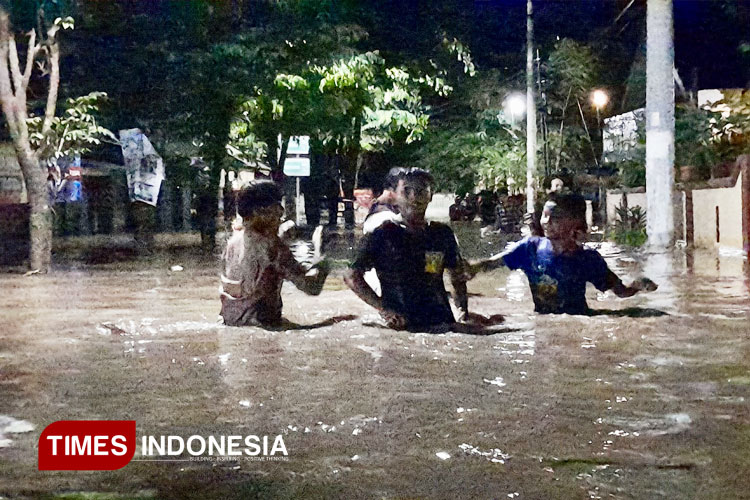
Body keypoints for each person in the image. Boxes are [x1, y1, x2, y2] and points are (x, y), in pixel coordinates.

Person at [470, 193, 657, 315]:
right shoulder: (530, 249)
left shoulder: (588, 260)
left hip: (581, 319)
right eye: (545, 215)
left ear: (574, 223)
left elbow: (620, 292)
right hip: (543, 322)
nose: (547, 222)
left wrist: (637, 286)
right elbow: (493, 263)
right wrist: (471, 269)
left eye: (555, 218)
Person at [345, 168, 470, 331]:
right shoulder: (381, 235)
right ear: (394, 196)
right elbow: (351, 276)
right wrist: (383, 309)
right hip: (402, 325)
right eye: (407, 191)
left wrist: (463, 313)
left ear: (430, 196)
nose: (414, 197)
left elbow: (457, 277)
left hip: (441, 321)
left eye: (420, 191)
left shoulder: (441, 234)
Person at [220, 180, 330, 327]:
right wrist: (320, 252)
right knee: (342, 320)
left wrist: (281, 238)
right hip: (263, 328)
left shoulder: (233, 242)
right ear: (258, 211)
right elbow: (312, 287)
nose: (281, 211)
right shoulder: (273, 247)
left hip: (231, 325)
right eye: (276, 205)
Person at [362, 166, 407, 234]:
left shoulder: (390, 209)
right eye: (404, 191)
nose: (410, 196)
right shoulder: (382, 216)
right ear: (390, 192)